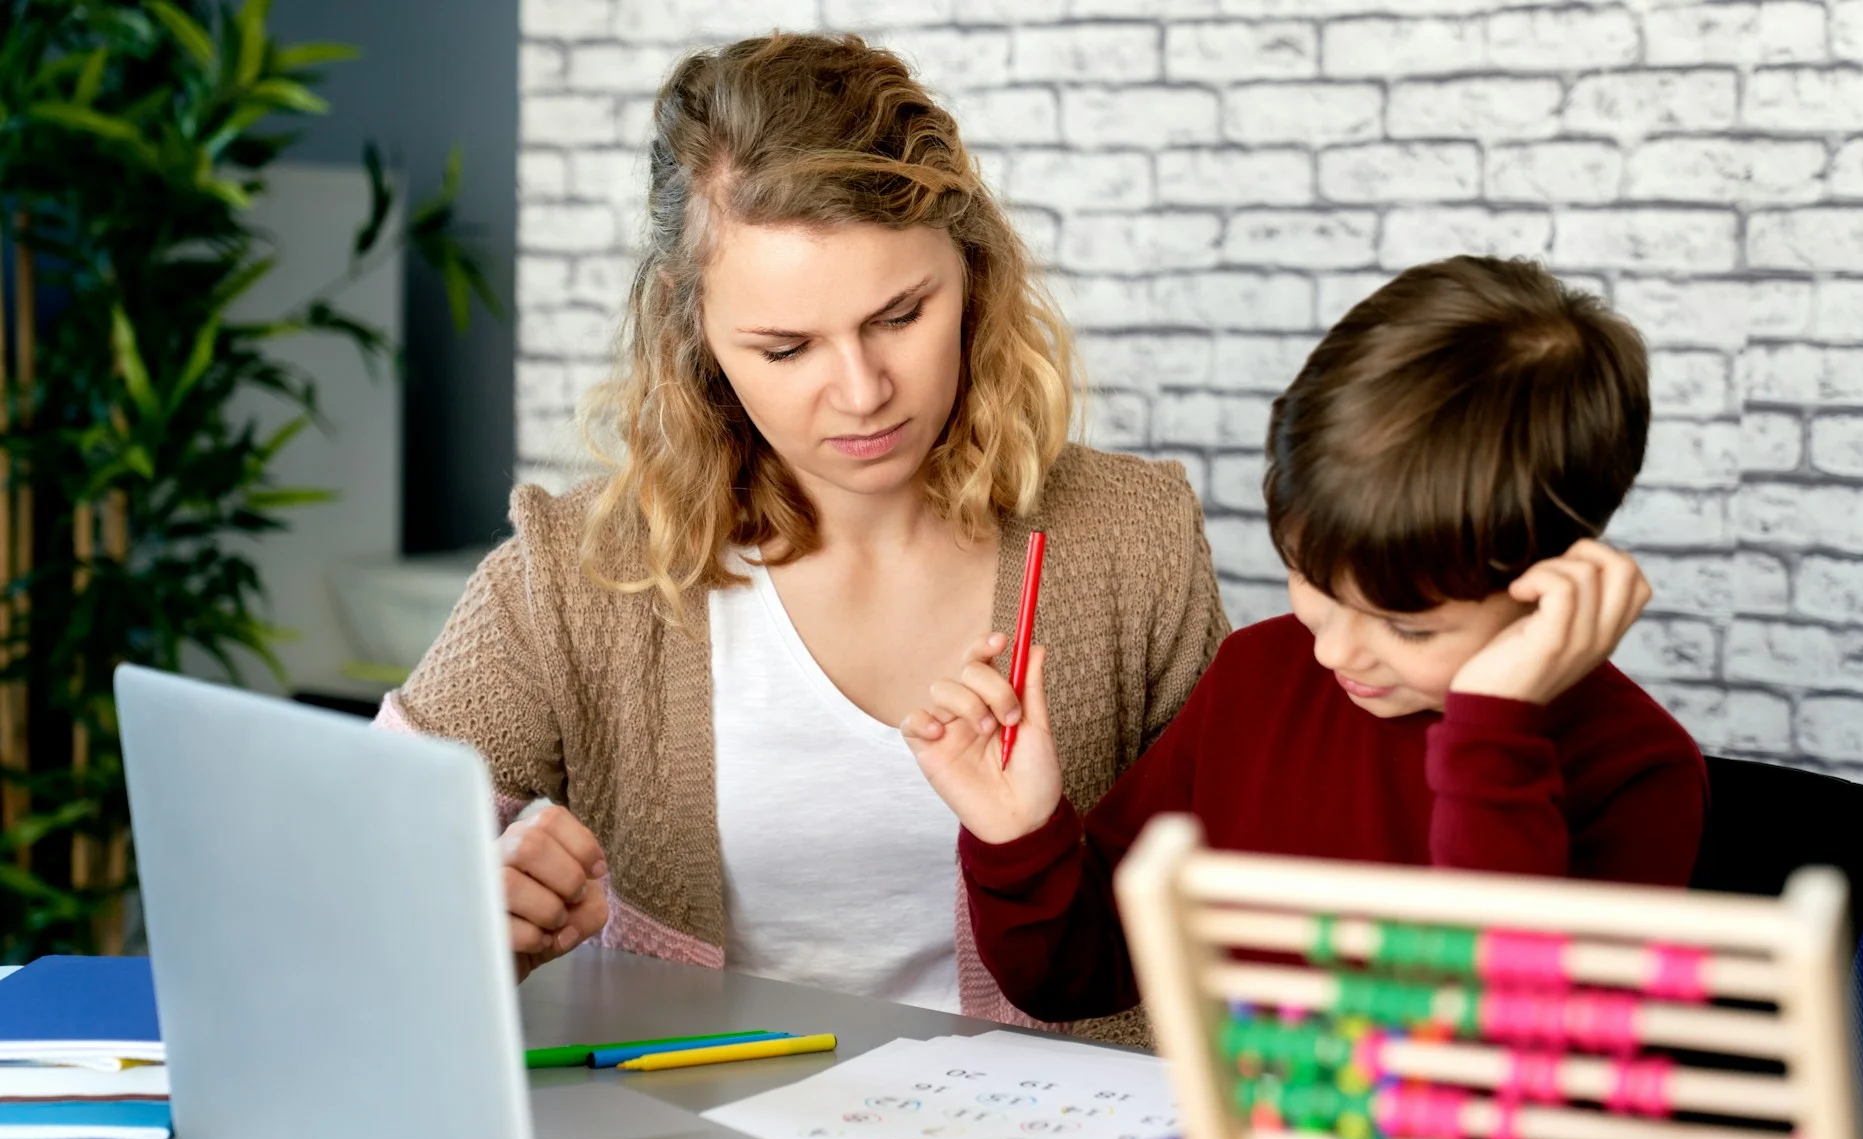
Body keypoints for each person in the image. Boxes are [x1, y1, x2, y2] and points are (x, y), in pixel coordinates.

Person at [377, 33, 1227, 1032]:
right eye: (785, 346)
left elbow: (1233, 916)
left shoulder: (1134, 540)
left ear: (974, 271)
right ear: (691, 331)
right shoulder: (575, 578)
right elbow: (355, 876)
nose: (864, 393)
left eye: (902, 314)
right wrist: (472, 910)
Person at [903, 256, 1708, 1024]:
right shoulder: (1259, 678)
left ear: (1556, 582)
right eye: (1314, 584)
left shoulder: (1637, 770)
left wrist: (1493, 733)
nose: (1335, 654)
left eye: (1407, 626)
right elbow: (1075, 975)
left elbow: (1509, 1051)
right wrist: (1020, 835)